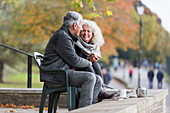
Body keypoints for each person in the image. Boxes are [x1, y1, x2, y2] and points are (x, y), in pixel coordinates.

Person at [40, 11, 102, 108]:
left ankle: (88, 109)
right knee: (89, 77)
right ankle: (82, 111)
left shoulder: (66, 36)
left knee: (98, 80)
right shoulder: (63, 37)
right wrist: (89, 63)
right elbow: (75, 61)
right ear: (75, 25)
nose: (81, 29)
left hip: (60, 73)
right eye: (81, 26)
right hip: (56, 75)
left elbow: (74, 60)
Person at [74, 19, 115, 102]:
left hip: (90, 72)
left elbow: (95, 65)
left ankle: (102, 90)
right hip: (77, 71)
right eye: (83, 31)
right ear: (79, 32)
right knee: (89, 65)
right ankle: (101, 93)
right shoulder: (76, 44)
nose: (86, 33)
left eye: (88, 31)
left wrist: (93, 59)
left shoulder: (94, 47)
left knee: (96, 64)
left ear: (92, 34)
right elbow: (76, 61)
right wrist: (89, 60)